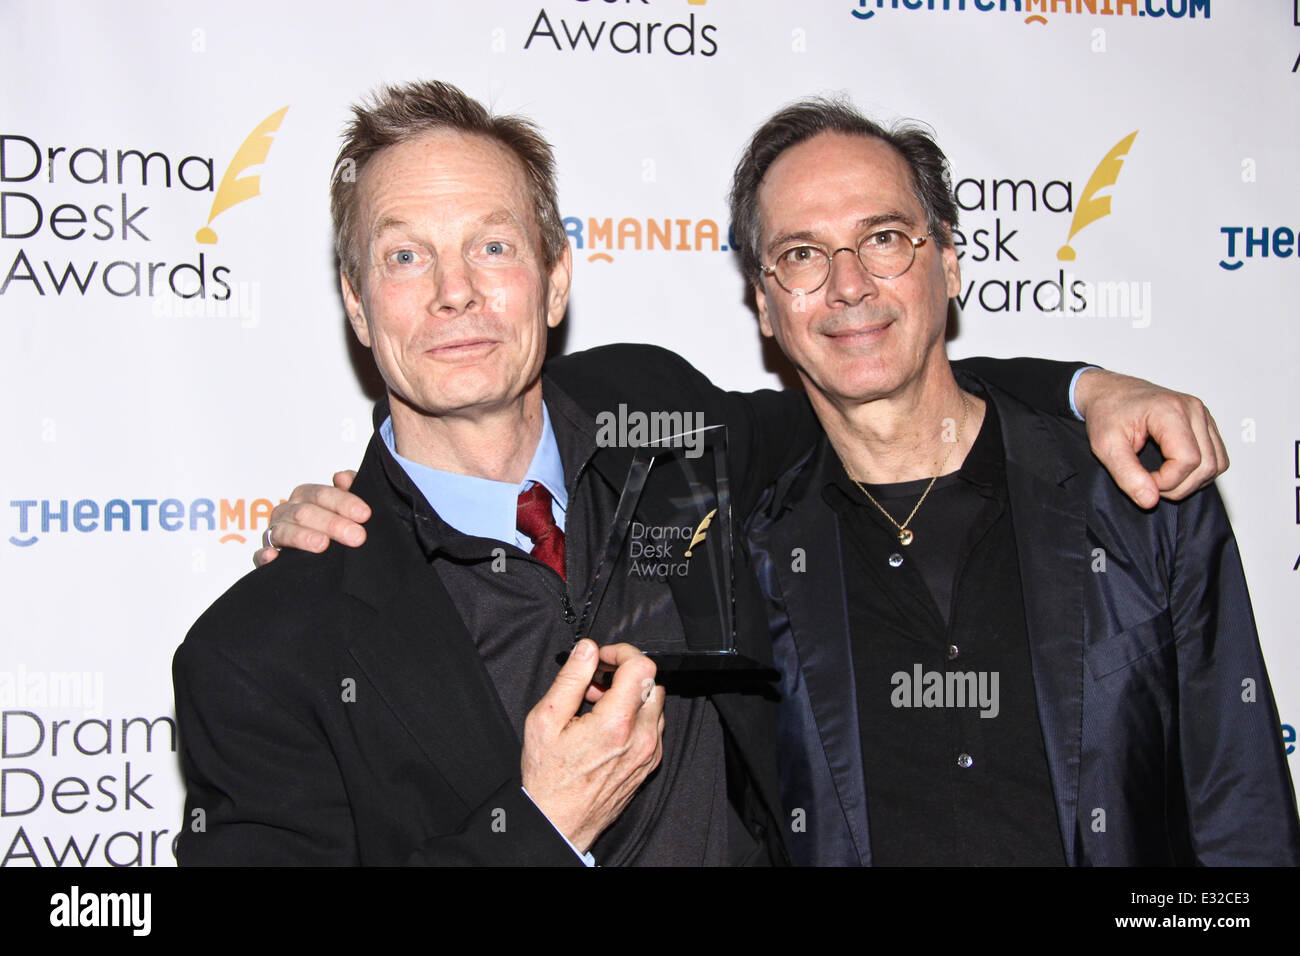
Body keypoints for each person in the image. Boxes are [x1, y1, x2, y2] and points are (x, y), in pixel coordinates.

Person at [230, 81, 1232, 866]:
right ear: (357, 306)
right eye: (404, 257)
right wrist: (535, 831)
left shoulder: (664, 426)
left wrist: (1083, 386)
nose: (454, 291)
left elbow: (872, 372)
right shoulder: (271, 645)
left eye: (491, 244)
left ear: (555, 277)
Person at [727, 99, 1299, 865]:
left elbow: (1241, 812)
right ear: (766, 305)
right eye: (802, 254)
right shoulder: (746, 561)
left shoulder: (1136, 496)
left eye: (885, 239)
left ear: (951, 264)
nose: (850, 284)